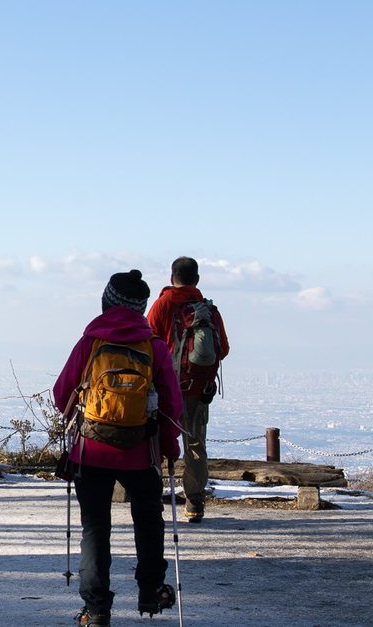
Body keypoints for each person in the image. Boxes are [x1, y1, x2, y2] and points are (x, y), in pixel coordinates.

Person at [54, 270, 183, 626]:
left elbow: (60, 393)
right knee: (148, 519)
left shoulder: (91, 342)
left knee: (95, 528)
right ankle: (151, 591)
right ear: (141, 308)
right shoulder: (155, 346)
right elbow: (172, 406)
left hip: (91, 451)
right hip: (141, 453)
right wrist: (170, 447)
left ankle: (96, 610)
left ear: (107, 302)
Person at [147, 256, 229, 523]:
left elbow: (147, 344)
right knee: (195, 444)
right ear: (197, 279)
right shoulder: (209, 310)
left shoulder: (162, 305)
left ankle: (152, 495)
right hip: (198, 388)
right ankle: (194, 502)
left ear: (172, 278)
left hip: (165, 389)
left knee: (156, 441)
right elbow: (223, 349)